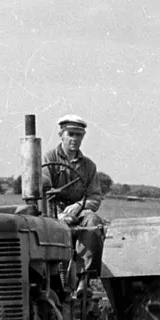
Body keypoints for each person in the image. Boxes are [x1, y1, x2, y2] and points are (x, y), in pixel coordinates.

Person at [42, 114, 105, 282]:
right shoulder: (49, 159)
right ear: (61, 135)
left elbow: (94, 196)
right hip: (54, 211)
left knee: (93, 222)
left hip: (80, 212)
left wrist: (79, 206)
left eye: (79, 135)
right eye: (71, 134)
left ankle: (84, 279)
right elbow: (44, 192)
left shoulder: (89, 166)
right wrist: (58, 215)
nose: (74, 139)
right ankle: (54, 278)